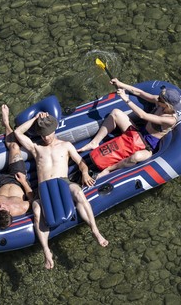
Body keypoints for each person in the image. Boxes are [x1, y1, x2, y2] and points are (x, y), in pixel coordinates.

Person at [14, 112, 108, 270]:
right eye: (42, 135)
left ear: (54, 130)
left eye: (47, 134)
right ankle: (46, 250)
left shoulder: (66, 145)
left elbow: (81, 162)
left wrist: (84, 172)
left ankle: (95, 231)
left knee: (78, 193)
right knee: (37, 211)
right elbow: (17, 132)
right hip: (43, 188)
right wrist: (35, 119)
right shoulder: (36, 148)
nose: (45, 138)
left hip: (64, 182)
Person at [79, 78, 181, 176]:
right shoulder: (160, 102)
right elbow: (140, 93)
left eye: (160, 99)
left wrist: (126, 99)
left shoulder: (170, 120)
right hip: (137, 133)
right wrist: (120, 84)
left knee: (136, 157)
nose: (157, 98)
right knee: (116, 113)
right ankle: (94, 142)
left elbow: (143, 115)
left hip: (147, 146)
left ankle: (110, 169)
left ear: (167, 105)